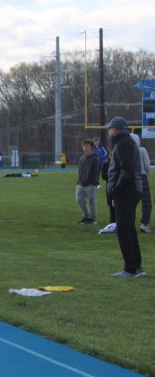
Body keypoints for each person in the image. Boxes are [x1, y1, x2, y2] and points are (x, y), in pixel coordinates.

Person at [105, 117, 144, 277]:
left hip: (127, 191)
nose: (109, 132)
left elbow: (126, 171)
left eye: (110, 129)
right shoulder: (127, 142)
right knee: (129, 228)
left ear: (115, 130)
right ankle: (137, 266)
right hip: (131, 190)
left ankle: (130, 268)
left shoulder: (123, 144)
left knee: (123, 229)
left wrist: (115, 191)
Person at [75, 139, 100, 225]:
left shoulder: (95, 159)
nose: (85, 147)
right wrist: (78, 182)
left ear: (91, 147)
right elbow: (80, 171)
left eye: (87, 146)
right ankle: (86, 216)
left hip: (90, 184)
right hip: (81, 184)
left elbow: (96, 172)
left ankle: (93, 219)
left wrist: (94, 183)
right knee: (79, 199)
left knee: (92, 202)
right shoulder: (82, 159)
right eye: (84, 146)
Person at [131, 132, 151, 233]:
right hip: (141, 176)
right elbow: (147, 165)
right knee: (146, 202)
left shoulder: (126, 151)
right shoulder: (142, 150)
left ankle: (129, 223)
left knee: (130, 202)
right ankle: (144, 223)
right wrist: (145, 173)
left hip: (130, 178)